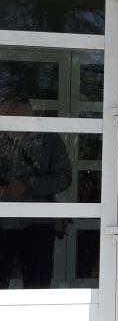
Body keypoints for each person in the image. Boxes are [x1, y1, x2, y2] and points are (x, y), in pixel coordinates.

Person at [0, 95, 72, 289]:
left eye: (19, 113)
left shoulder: (49, 140)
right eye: (7, 113)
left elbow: (64, 177)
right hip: (3, 222)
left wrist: (28, 185)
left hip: (38, 223)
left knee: (38, 286)